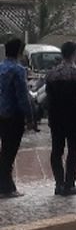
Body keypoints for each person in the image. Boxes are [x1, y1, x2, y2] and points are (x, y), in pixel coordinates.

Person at [44, 41, 76, 196]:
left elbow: (48, 96)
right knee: (73, 150)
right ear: (75, 53)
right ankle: (69, 184)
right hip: (73, 116)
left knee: (56, 150)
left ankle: (59, 184)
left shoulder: (51, 73)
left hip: (55, 116)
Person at [0, 38, 37, 198]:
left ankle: (7, 185)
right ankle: (6, 188)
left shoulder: (1, 67)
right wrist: (30, 117)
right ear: (20, 52)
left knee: (4, 152)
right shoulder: (18, 70)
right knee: (9, 152)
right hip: (13, 115)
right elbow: (23, 97)